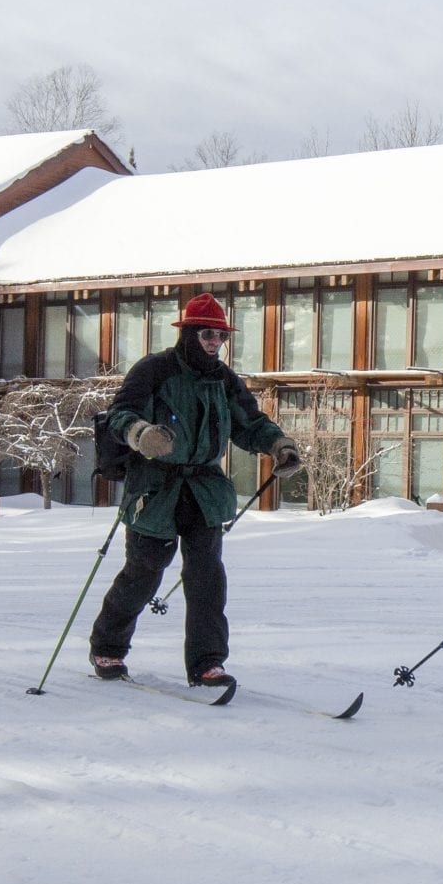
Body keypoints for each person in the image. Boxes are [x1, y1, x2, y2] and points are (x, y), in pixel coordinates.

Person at [89, 292, 303, 689]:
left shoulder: (224, 380)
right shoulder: (153, 370)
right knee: (144, 573)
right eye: (207, 334)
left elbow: (250, 423)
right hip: (154, 489)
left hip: (204, 490)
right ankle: (108, 647)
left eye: (221, 337)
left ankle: (207, 664)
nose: (214, 343)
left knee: (207, 577)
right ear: (188, 333)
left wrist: (279, 445)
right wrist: (140, 434)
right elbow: (120, 414)